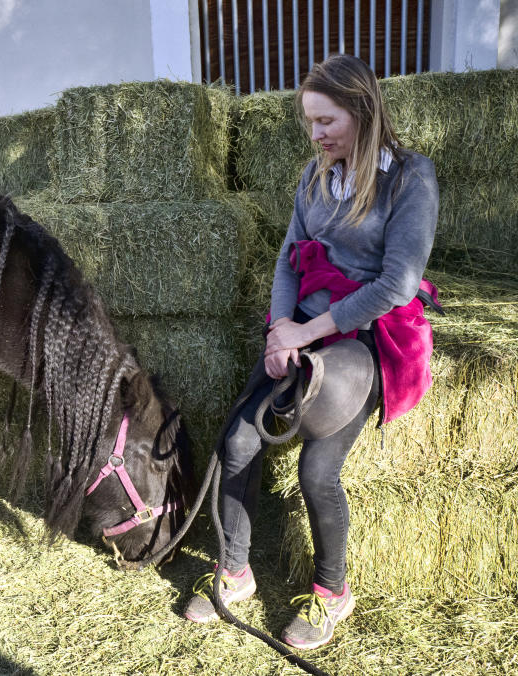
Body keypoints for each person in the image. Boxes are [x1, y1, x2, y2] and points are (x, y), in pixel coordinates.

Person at [183, 53, 440, 650]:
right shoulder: (316, 175)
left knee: (316, 469)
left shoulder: (411, 177)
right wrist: (279, 330)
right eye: (310, 123)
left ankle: (332, 594)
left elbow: (397, 285)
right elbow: (288, 259)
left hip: (365, 333)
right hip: (303, 327)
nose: (316, 134)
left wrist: (307, 332)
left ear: (362, 108)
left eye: (326, 121)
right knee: (238, 442)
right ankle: (236, 570)